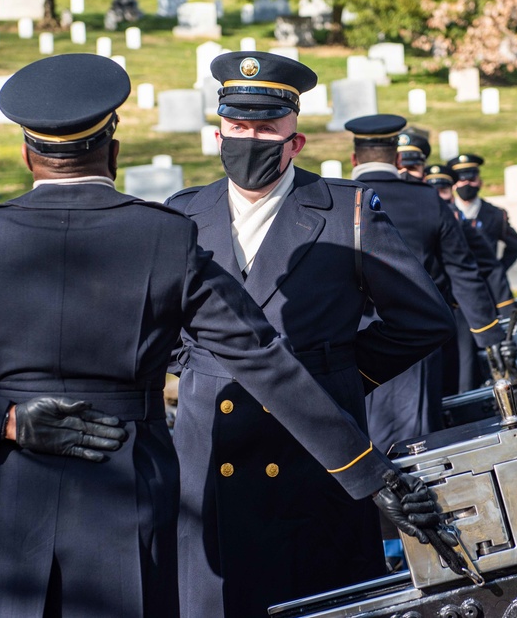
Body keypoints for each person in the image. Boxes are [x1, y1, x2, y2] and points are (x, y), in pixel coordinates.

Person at [0, 54, 443, 618]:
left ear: (28, 154)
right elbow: (261, 358)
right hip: (126, 487)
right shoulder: (163, 236)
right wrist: (371, 475)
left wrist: (1, 420)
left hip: (10, 487)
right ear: (113, 150)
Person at [164, 52, 454, 618]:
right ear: (218, 131)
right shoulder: (182, 215)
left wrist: (338, 375)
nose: (249, 139)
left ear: (294, 139)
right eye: (237, 126)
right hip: (208, 456)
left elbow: (425, 319)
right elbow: (156, 322)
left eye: (266, 127)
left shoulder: (345, 210)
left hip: (316, 458)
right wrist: (195, 369)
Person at [346, 115, 504, 451]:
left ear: (354, 159)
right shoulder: (427, 200)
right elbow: (462, 270)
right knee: (416, 444)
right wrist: (490, 335)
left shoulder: (338, 201)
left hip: (350, 341)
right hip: (414, 342)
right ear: (399, 159)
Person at [425, 163, 512, 392]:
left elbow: (488, 267)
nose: (439, 197)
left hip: (458, 312)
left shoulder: (460, 224)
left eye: (443, 190)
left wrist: (502, 313)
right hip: (425, 312)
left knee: (464, 378)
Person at [448, 153, 517, 312]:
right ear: (454, 184)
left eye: (471, 178)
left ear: (479, 181)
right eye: (461, 179)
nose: (466, 184)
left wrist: (498, 269)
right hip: (458, 291)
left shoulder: (495, 214)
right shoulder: (446, 214)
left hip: (492, 289)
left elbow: (516, 245)